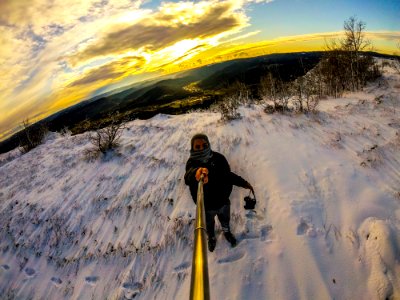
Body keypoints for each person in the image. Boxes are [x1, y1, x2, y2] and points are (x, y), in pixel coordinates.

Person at [184, 133, 254, 252]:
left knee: (225, 220)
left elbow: (227, 175)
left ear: (208, 144)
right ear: (192, 148)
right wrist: (197, 173)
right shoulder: (192, 163)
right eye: (197, 147)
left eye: (204, 145)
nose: (201, 148)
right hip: (206, 206)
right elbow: (188, 177)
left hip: (223, 202)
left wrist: (244, 183)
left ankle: (227, 232)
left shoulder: (219, 158)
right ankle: (211, 238)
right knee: (209, 224)